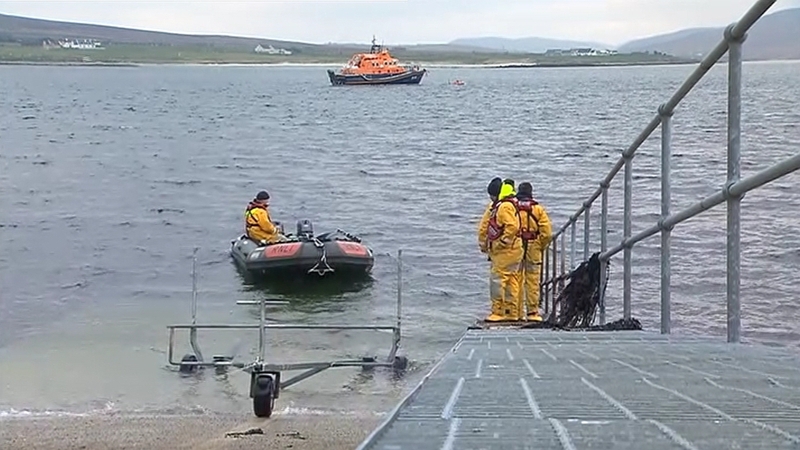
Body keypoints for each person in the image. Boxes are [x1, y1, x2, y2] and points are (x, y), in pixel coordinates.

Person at [479, 179, 524, 322]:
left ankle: (497, 312)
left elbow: (512, 226)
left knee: (497, 280)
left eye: (491, 195)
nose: (491, 198)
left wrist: (503, 242)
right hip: (512, 251)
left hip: (505, 252)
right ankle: (511, 312)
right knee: (511, 281)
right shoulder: (506, 204)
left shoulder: (503, 207)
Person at [516, 182, 552, 321]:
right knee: (532, 280)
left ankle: (516, 312)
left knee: (515, 279)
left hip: (516, 247)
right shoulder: (538, 209)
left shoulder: (513, 207)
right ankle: (532, 313)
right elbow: (546, 233)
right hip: (533, 247)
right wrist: (540, 245)